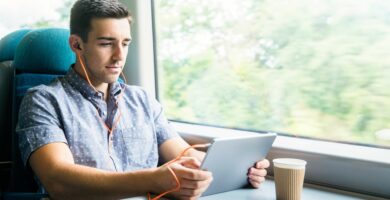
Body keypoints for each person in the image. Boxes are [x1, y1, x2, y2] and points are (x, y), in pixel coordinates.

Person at [16, 0, 270, 199]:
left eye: (125, 44)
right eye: (107, 43)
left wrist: (240, 170)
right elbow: (59, 181)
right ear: (76, 45)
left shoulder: (142, 100)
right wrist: (153, 179)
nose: (119, 56)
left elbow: (183, 155)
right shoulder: (43, 100)